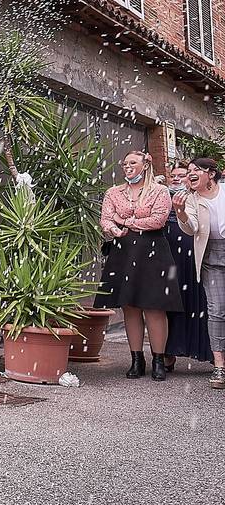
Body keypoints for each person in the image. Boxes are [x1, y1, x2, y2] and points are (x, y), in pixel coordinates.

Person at [95, 151, 182, 381]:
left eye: (132, 162)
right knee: (130, 306)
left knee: (155, 307)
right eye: (124, 163)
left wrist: (125, 221)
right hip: (123, 251)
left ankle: (158, 360)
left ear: (145, 165)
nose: (127, 166)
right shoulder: (113, 192)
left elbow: (158, 220)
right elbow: (105, 219)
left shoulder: (160, 190)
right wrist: (114, 229)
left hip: (153, 251)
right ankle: (136, 359)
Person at [172, 157, 225, 389]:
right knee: (217, 310)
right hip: (211, 257)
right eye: (189, 171)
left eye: (196, 170)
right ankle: (219, 366)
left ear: (211, 174)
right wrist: (181, 212)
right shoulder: (191, 199)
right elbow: (191, 227)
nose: (190, 173)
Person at [164, 161, 213, 369]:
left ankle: (210, 352)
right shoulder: (163, 196)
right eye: (172, 175)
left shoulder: (198, 197)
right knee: (172, 300)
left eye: (181, 174)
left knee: (202, 300)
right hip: (170, 254)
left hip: (196, 251)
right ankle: (169, 351)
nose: (176, 178)